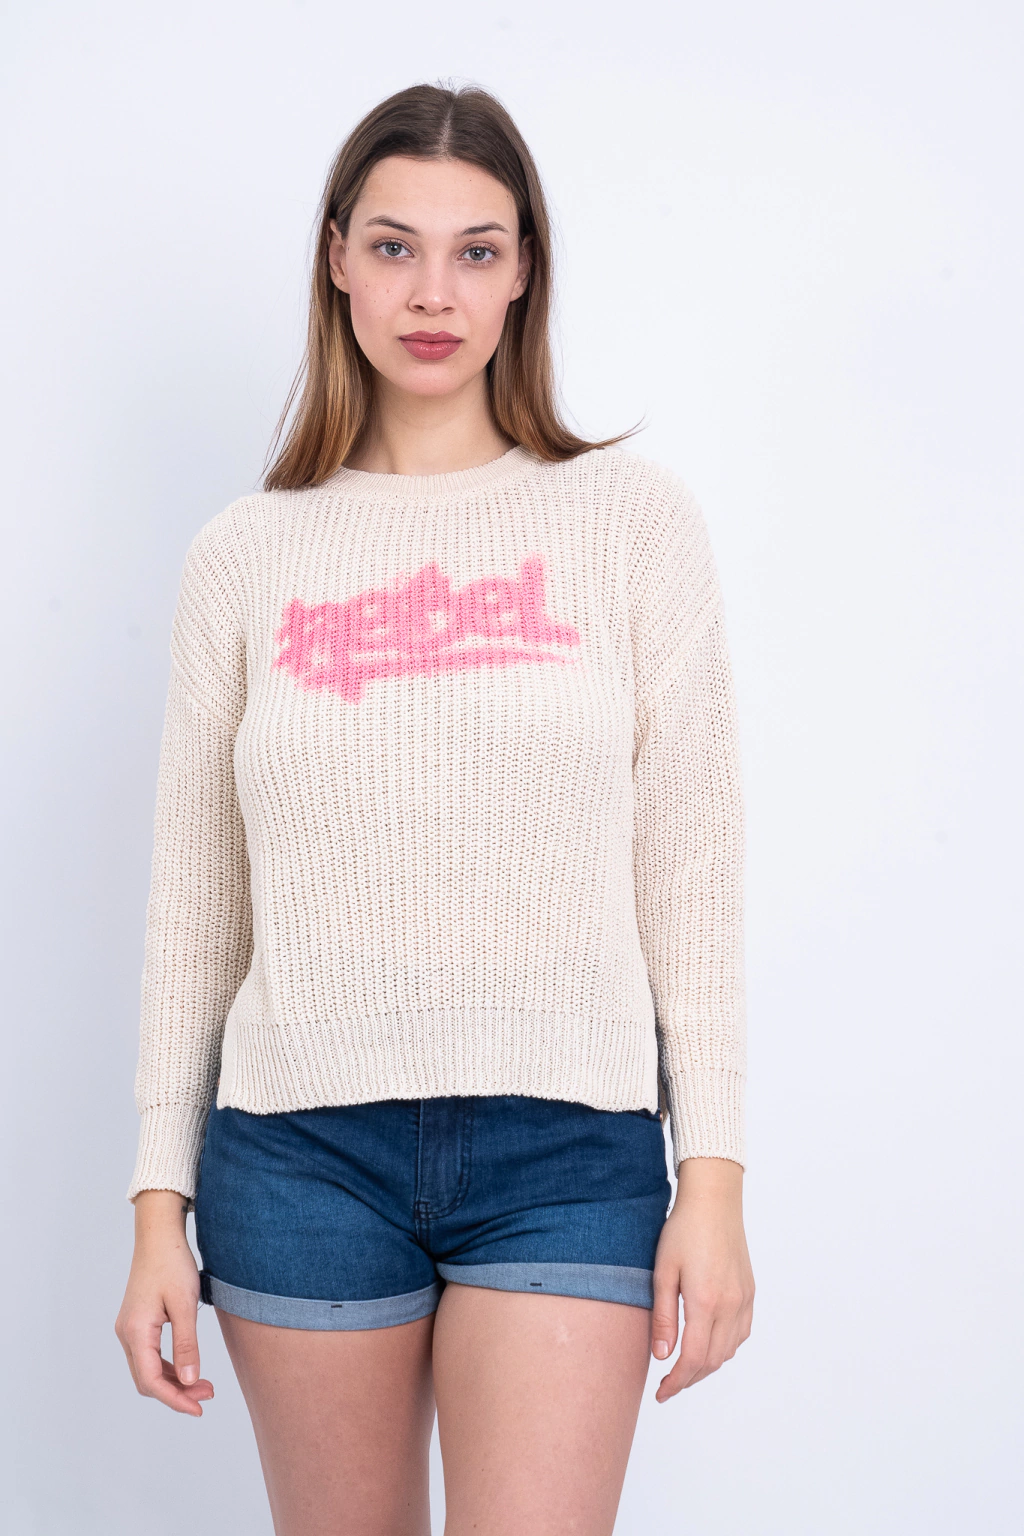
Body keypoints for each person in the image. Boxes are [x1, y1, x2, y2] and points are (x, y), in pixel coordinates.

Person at [114, 81, 755, 1536]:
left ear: (525, 272)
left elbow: (693, 867)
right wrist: (158, 1207)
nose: (433, 293)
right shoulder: (245, 555)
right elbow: (195, 904)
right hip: (299, 1155)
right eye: (395, 246)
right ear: (337, 258)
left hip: (569, 1151)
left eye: (477, 251)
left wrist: (712, 1177)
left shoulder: (632, 526)